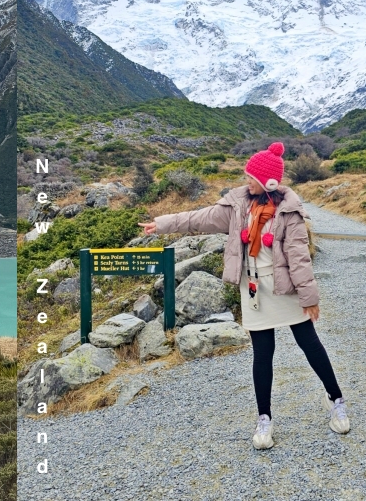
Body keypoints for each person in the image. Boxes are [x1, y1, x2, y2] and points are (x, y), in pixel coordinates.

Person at [138, 141, 349, 450]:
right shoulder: (237, 207)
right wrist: (163, 224)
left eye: (252, 176)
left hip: (286, 287)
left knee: (310, 343)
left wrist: (309, 298)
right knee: (263, 354)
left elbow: (299, 257)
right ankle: (264, 419)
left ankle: (336, 399)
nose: (246, 180)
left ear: (269, 182)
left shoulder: (289, 211)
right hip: (254, 291)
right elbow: (198, 218)